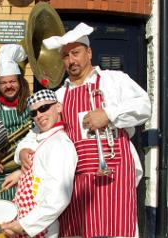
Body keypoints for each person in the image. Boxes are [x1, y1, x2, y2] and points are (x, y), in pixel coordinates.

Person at [18, 22, 152, 237]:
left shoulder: (114, 80)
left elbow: (144, 106)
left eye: (76, 53)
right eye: (65, 56)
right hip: (76, 179)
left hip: (115, 173)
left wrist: (109, 115)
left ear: (89, 53)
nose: (71, 60)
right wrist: (23, 150)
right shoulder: (59, 96)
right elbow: (37, 131)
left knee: (118, 231)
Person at [0, 89, 77, 238]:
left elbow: (59, 196)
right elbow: (42, 171)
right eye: (34, 113)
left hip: (41, 228)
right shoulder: (44, 138)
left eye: (43, 108)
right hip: (29, 224)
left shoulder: (60, 144)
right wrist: (20, 173)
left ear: (58, 107)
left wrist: (24, 225)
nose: (39, 115)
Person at [0, 44, 31, 201]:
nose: (9, 86)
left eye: (12, 81)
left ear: (20, 82)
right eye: (4, 83)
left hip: (25, 173)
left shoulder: (32, 105)